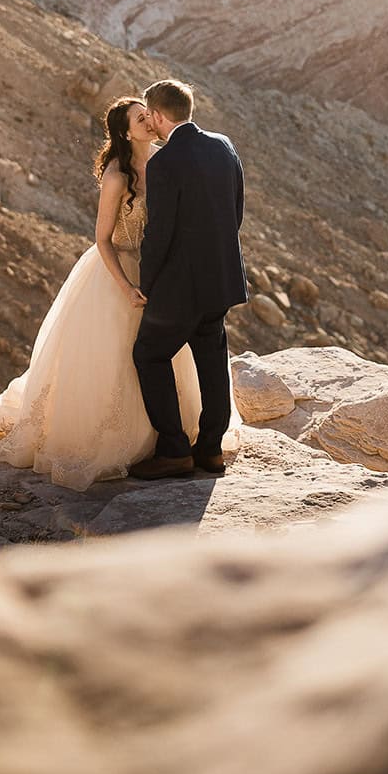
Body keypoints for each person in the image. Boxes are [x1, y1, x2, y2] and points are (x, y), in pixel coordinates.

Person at [0, 96, 201, 490]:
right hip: (119, 274)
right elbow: (102, 240)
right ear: (125, 130)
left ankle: (171, 435)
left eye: (149, 114)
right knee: (116, 356)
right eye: (141, 118)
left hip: (160, 272)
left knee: (163, 351)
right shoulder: (118, 175)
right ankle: (123, 440)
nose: (150, 121)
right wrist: (127, 287)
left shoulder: (165, 159)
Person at [129, 78, 248, 481]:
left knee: (149, 354)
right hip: (222, 279)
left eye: (150, 116)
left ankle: (175, 451)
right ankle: (210, 451)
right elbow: (236, 210)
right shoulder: (223, 145)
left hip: (180, 286)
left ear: (159, 116)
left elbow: (158, 232)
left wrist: (147, 281)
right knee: (211, 358)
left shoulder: (165, 162)